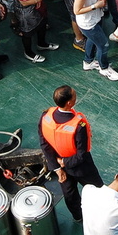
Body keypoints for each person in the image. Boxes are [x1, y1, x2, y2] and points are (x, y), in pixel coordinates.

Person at [39, 85, 104, 222]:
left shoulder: (46, 117)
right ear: (69, 103)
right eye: (74, 95)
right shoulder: (79, 125)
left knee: (70, 194)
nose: (76, 96)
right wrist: (65, 162)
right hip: (81, 168)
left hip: (60, 168)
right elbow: (82, 154)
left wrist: (57, 168)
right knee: (98, 190)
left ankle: (79, 217)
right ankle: (104, 213)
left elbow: (44, 145)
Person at [74, 0, 118, 80]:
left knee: (92, 40)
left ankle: (88, 62)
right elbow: (77, 10)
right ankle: (104, 68)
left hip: (95, 18)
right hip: (88, 23)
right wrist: (96, 6)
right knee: (103, 45)